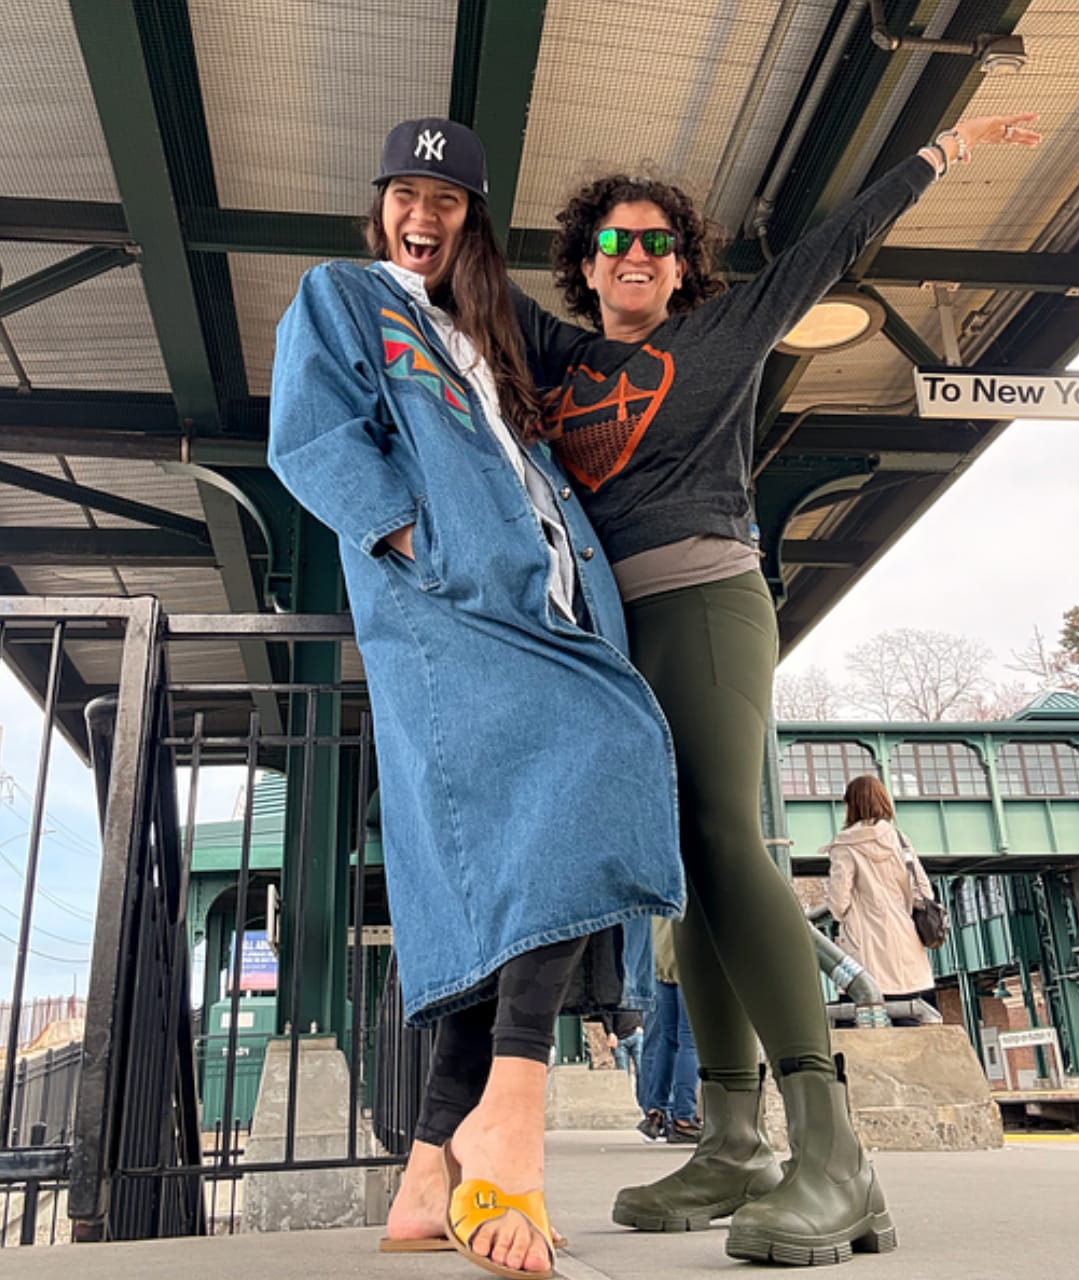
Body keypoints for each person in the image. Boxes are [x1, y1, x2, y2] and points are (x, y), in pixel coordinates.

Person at [513, 113, 1040, 1265]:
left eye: (656, 241)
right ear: (586, 261)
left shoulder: (725, 329)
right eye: (614, 241)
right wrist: (416, 212)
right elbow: (448, 290)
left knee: (723, 836)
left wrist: (936, 155)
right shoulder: (560, 360)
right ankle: (736, 1135)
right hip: (611, 627)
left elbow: (824, 250)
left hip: (705, 599)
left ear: (682, 262)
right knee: (682, 870)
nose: (636, 255)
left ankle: (833, 1153)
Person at [267, 116, 684, 1279]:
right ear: (379, 205)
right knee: (606, 748)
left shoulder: (485, 329)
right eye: (406, 192)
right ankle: (513, 1104)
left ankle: (426, 1162)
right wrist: (418, 539)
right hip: (450, 602)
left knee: (505, 863)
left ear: (472, 219)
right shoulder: (346, 295)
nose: (423, 214)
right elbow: (310, 437)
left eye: (445, 200)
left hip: (546, 600)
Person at [824, 775, 937, 1024]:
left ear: (851, 805)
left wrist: (847, 915)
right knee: (908, 1017)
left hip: (863, 944)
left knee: (862, 1018)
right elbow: (924, 892)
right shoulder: (899, 840)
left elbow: (838, 902)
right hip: (903, 939)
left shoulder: (845, 845)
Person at [636, 918, 702, 1144]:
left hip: (662, 965)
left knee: (668, 1039)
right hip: (689, 964)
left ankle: (656, 1112)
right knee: (689, 1041)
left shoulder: (663, 887)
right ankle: (684, 1118)